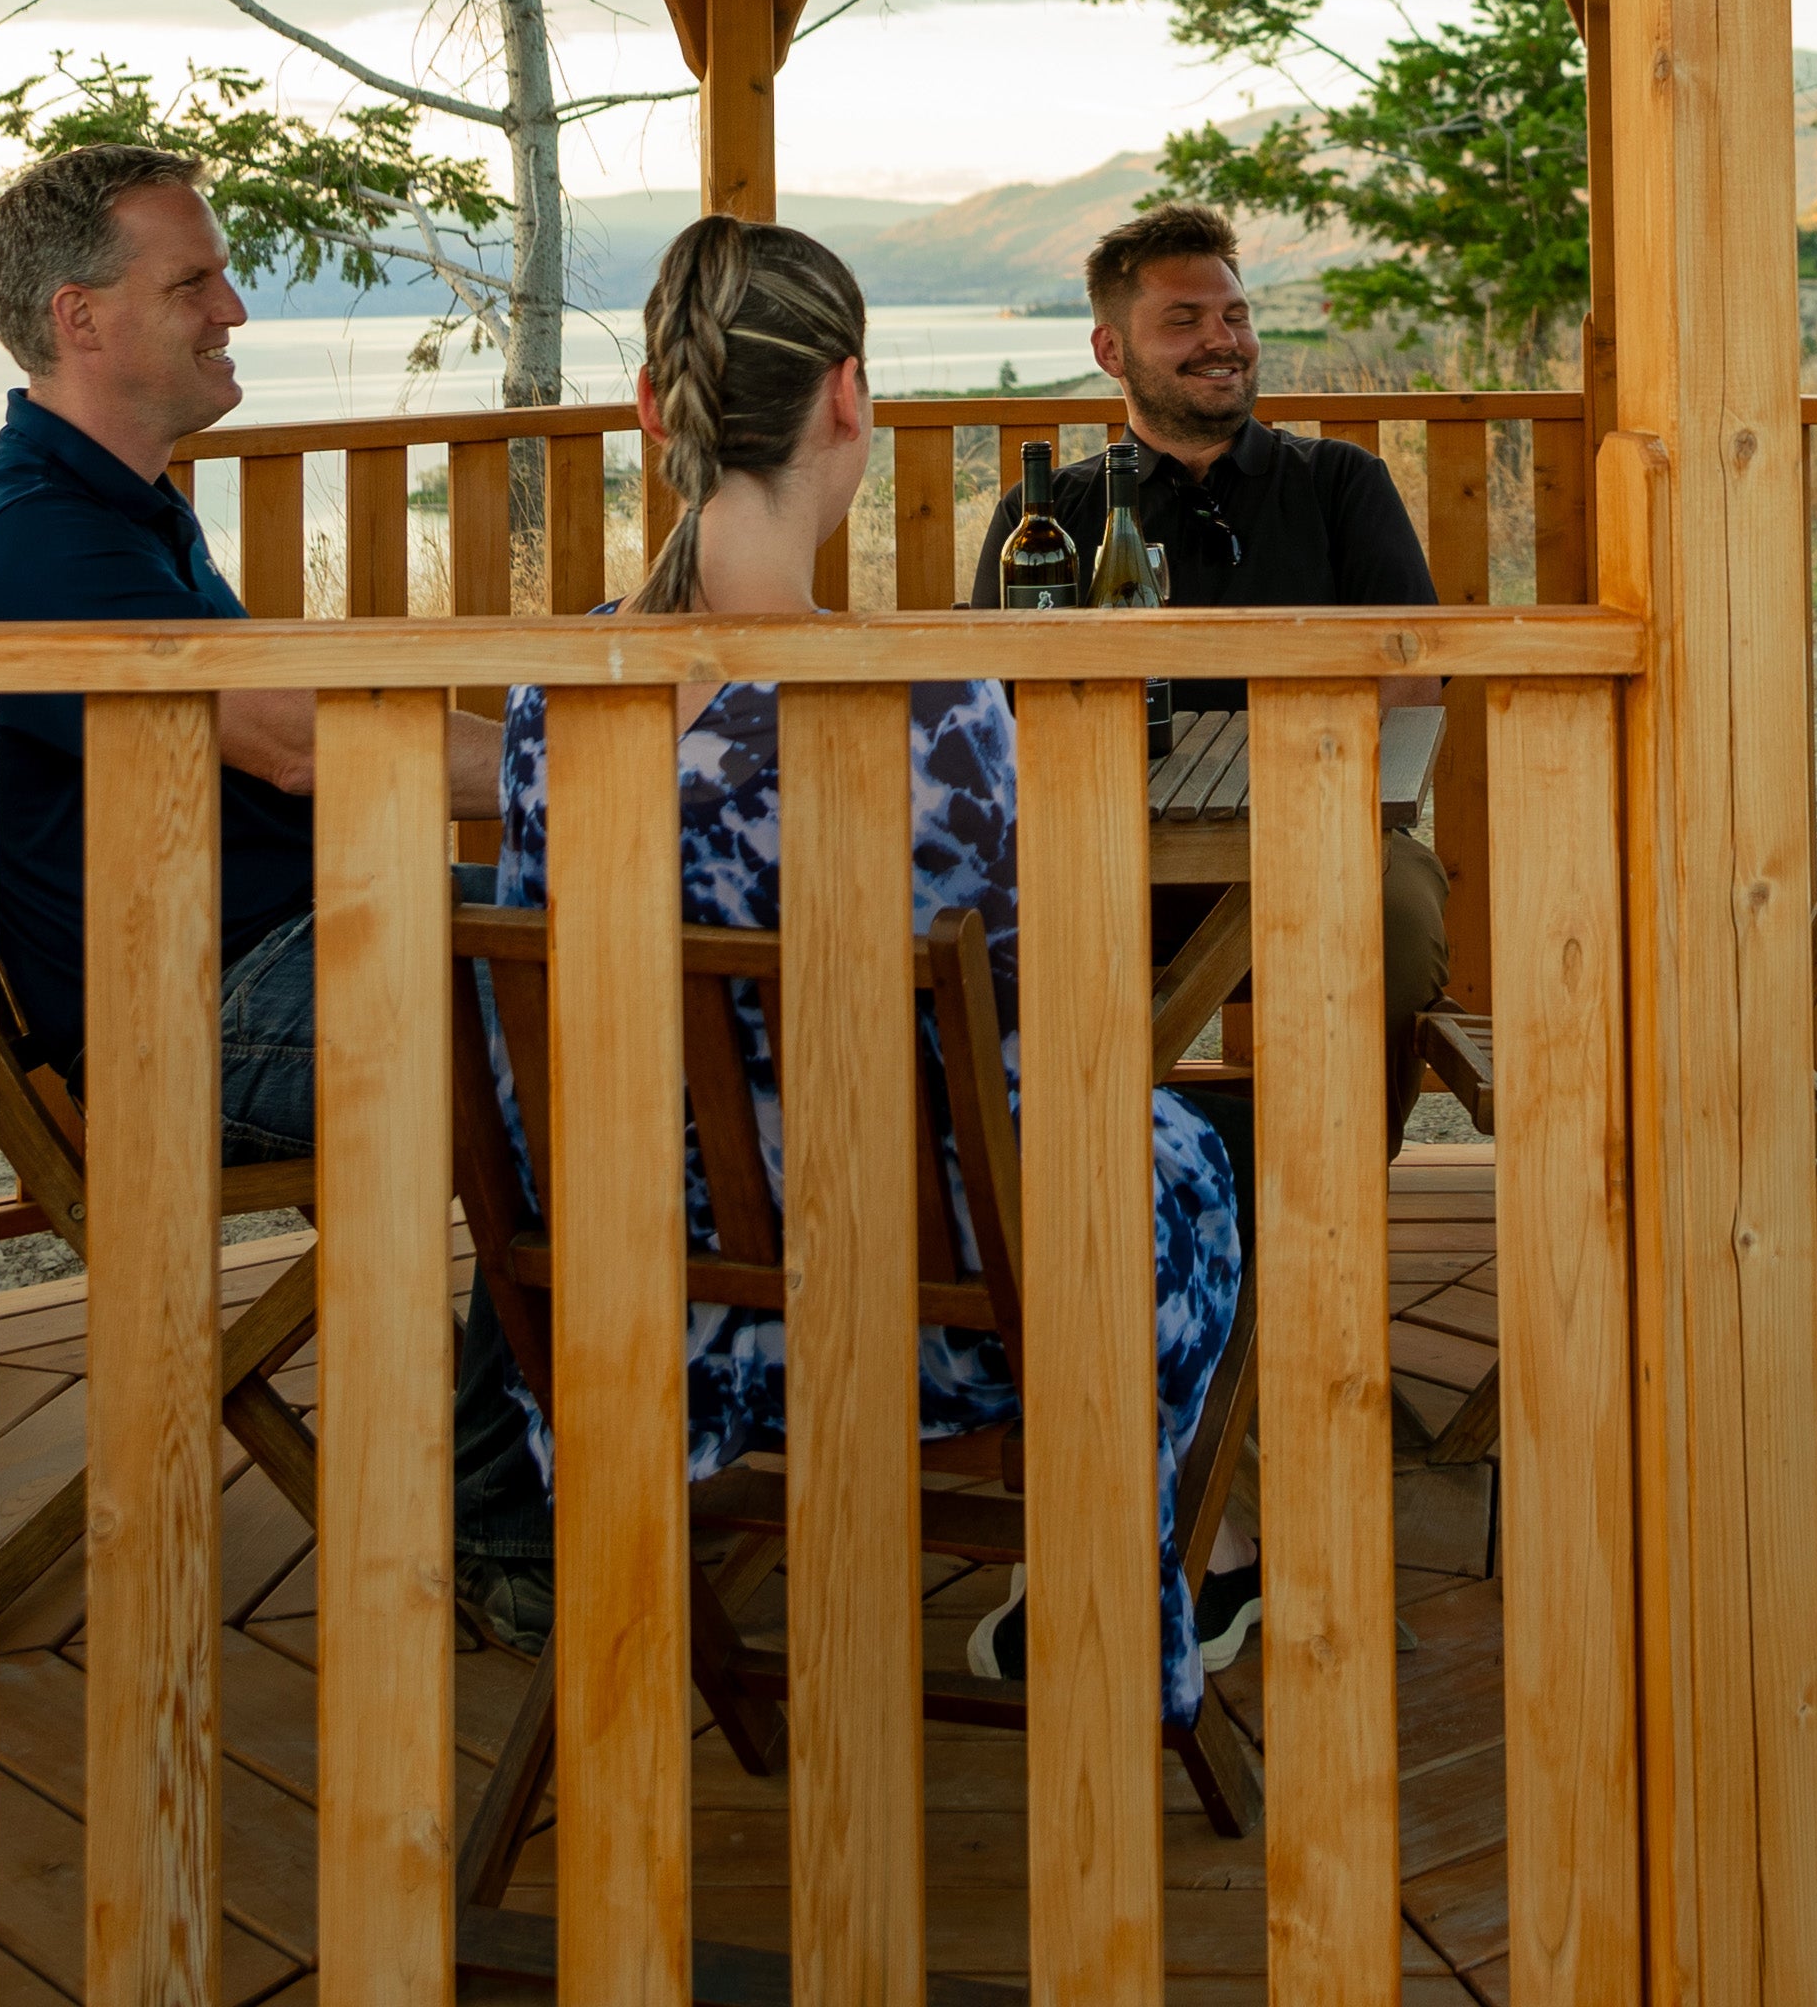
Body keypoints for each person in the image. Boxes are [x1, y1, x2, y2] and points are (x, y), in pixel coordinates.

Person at [480, 215, 1258, 1711]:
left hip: (648, 1297)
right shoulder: (935, 711)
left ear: (656, 408)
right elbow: (1043, 1054)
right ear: (850, 399)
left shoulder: (556, 690)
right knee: (1196, 1152)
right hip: (930, 1316)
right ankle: (1127, 1594)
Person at [0, 146, 538, 1618]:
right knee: (607, 1021)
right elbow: (302, 744)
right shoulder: (40, 541)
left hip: (284, 950)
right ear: (82, 320)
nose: (235, 308)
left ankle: (573, 1464)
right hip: (196, 1014)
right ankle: (509, 1527)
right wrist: (615, 764)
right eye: (192, 281)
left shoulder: (121, 511)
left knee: (633, 983)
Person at [967, 205, 1455, 1142]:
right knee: (977, 924)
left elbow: (1412, 685)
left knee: (1391, 917)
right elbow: (999, 705)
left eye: (1233, 316)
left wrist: (1330, 809)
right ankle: (1095, 1184)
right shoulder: (1053, 515)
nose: (1222, 341)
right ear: (1112, 349)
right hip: (1101, 851)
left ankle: (1327, 1200)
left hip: (1321, 841)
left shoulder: (1342, 486)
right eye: (1183, 321)